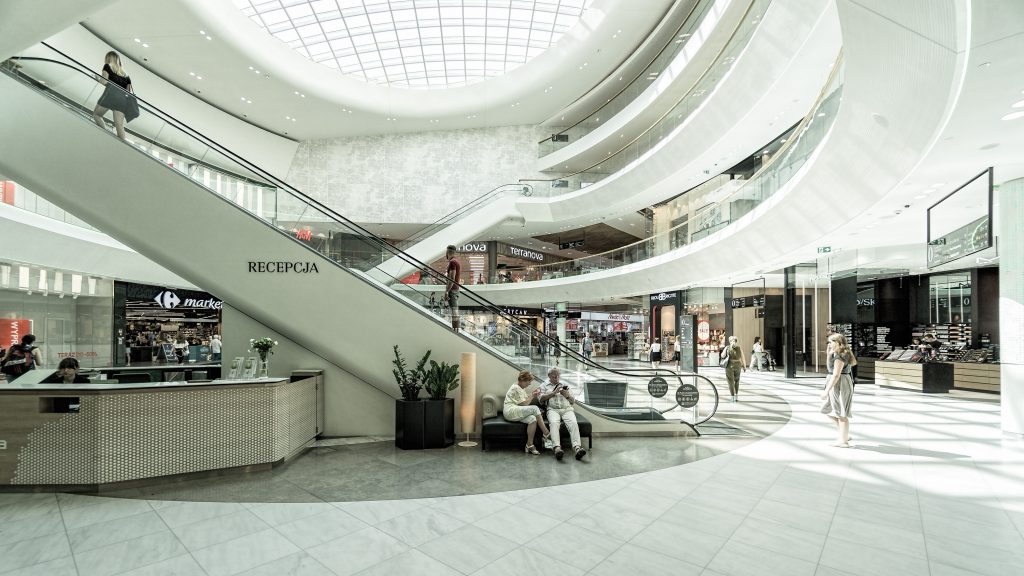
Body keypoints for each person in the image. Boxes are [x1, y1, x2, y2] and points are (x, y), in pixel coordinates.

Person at [538, 367, 587, 461]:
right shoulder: (544, 385)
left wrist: (566, 395)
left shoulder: (565, 385)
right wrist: (553, 393)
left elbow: (572, 401)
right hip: (552, 409)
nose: (556, 377)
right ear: (549, 376)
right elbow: (540, 400)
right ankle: (557, 448)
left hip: (567, 409)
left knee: (573, 423)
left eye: (558, 375)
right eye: (554, 376)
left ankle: (577, 448)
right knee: (554, 424)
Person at [503, 370, 552, 455]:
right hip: (510, 411)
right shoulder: (516, 388)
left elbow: (525, 402)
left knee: (532, 419)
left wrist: (533, 394)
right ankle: (546, 433)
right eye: (529, 381)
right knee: (535, 408)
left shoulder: (521, 387)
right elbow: (524, 404)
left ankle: (529, 445)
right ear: (523, 380)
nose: (529, 384)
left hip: (516, 410)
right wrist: (532, 396)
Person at [821, 333, 854, 447]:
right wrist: (829, 353)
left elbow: (836, 375)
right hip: (838, 383)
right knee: (828, 409)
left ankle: (843, 440)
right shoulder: (838, 354)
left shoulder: (840, 356)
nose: (829, 344)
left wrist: (826, 391)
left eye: (830, 342)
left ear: (838, 343)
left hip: (840, 384)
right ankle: (843, 434)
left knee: (841, 413)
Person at [92, 51, 133, 140]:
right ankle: (122, 144)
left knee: (97, 115)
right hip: (122, 101)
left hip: (110, 96)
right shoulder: (126, 74)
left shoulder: (107, 66)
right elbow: (128, 92)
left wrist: (97, 78)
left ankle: (105, 135)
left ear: (108, 58)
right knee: (119, 125)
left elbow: (104, 82)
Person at [721, 335, 747, 402]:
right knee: (735, 381)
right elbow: (743, 358)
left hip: (730, 366)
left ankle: (733, 396)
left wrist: (744, 366)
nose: (733, 342)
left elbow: (722, 356)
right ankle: (735, 396)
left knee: (732, 381)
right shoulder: (735, 348)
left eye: (734, 341)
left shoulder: (730, 347)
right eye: (732, 341)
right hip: (737, 365)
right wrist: (744, 366)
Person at [444, 245, 461, 331]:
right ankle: (456, 328)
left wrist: (447, 291)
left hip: (452, 289)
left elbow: (451, 278)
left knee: (454, 309)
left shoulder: (452, 262)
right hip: (455, 289)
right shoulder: (456, 261)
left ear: (448, 252)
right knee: (455, 309)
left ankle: (456, 329)